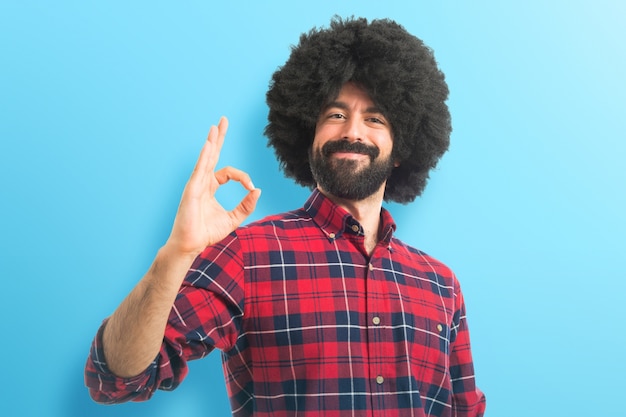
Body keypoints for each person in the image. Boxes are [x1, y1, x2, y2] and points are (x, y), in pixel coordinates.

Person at [85, 17, 486, 417]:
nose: (353, 131)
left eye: (375, 119)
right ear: (306, 136)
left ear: (402, 149)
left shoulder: (440, 284)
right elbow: (118, 378)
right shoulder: (248, 254)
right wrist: (175, 254)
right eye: (335, 114)